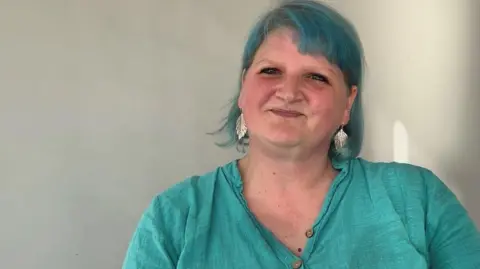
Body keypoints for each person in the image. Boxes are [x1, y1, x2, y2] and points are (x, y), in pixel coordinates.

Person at [122, 1, 480, 268]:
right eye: (271, 70)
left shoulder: (417, 200)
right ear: (244, 90)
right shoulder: (173, 218)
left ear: (347, 104)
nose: (289, 91)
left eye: (316, 76)